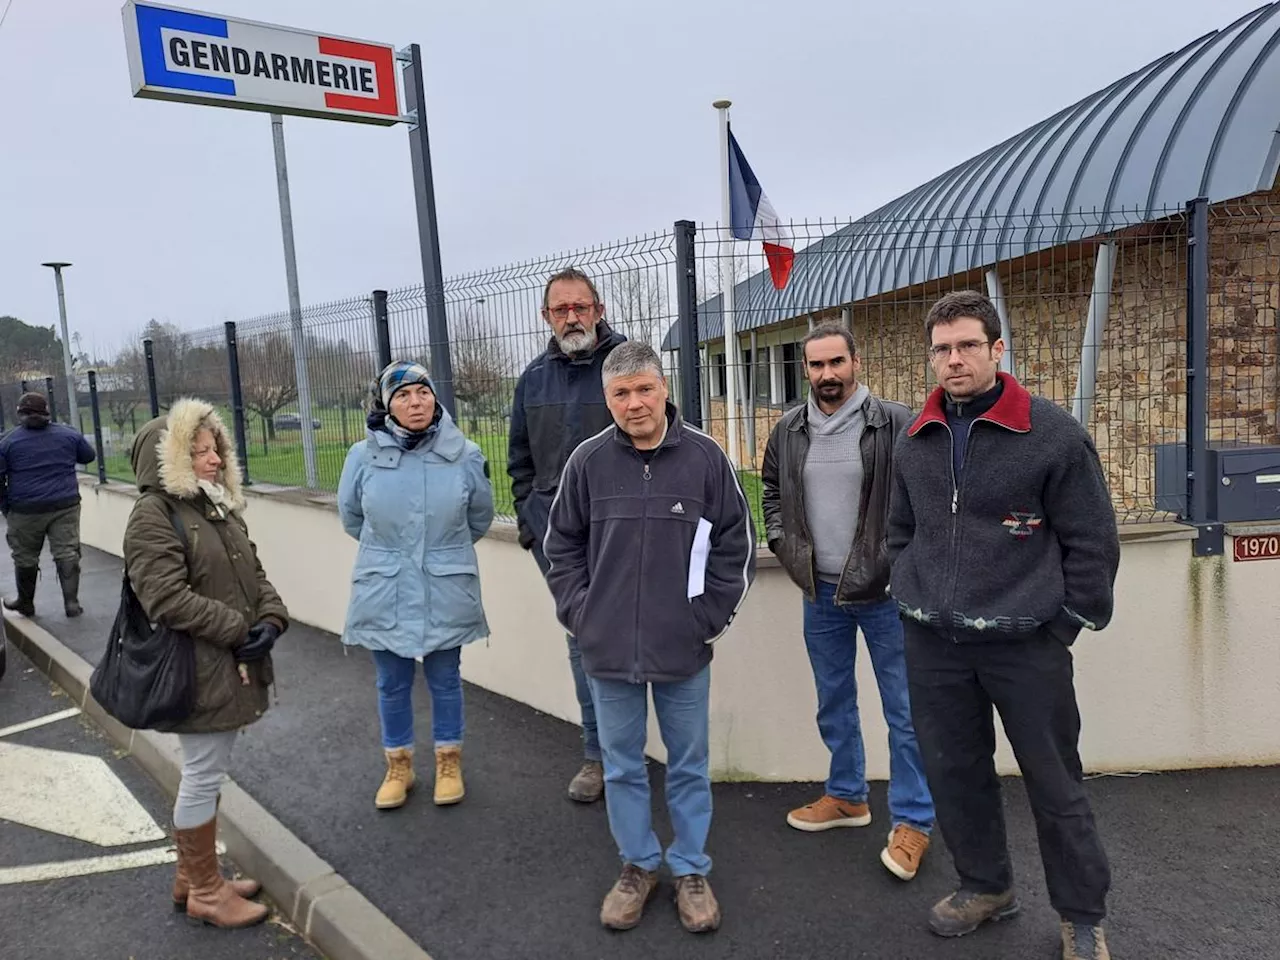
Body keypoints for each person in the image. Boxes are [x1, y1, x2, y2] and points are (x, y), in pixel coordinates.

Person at [888, 290, 1120, 960]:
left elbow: (1093, 543)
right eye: (941, 348)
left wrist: (1065, 624)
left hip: (1027, 645)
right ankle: (986, 888)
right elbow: (900, 533)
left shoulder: (1051, 434)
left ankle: (1082, 915)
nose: (953, 359)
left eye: (966, 345)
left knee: (1055, 783)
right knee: (955, 775)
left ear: (997, 350)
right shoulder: (914, 439)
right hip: (935, 643)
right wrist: (911, 594)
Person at [544, 341, 755, 934]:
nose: (634, 404)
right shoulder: (586, 464)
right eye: (620, 393)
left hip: (682, 650)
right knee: (621, 767)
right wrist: (584, 615)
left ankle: (690, 868)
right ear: (606, 399)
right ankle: (638, 864)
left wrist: (704, 621)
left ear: (663, 388)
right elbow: (561, 548)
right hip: (606, 652)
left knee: (688, 765)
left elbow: (734, 547)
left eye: (644, 389)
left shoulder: (707, 460)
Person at [761, 323, 934, 881]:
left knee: (904, 712)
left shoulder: (896, 422)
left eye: (837, 362)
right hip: (822, 594)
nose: (827, 375)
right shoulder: (788, 429)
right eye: (816, 365)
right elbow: (770, 492)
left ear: (856, 361)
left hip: (886, 595)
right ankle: (847, 796)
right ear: (805, 369)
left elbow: (927, 499)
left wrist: (900, 564)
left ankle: (913, 821)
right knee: (833, 701)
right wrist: (784, 547)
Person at [122, 398, 287, 928]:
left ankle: (193, 877)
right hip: (197, 669)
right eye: (197, 451)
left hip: (225, 663)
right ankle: (206, 893)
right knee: (201, 774)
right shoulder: (154, 514)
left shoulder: (214, 506)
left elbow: (254, 573)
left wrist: (271, 619)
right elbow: (164, 597)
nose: (213, 459)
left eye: (214, 448)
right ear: (167, 458)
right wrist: (239, 629)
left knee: (207, 774)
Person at [339, 362, 494, 810]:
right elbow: (352, 518)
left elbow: (478, 517)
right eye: (403, 395)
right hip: (384, 586)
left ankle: (449, 761)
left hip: (445, 583)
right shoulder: (361, 456)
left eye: (422, 393)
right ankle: (398, 766)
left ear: (435, 397)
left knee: (445, 678)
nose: (415, 403)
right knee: (391, 681)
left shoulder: (464, 453)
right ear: (386, 404)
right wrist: (396, 554)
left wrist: (439, 553)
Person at [508, 267, 627, 803]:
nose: (572, 317)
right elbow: (519, 465)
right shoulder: (532, 380)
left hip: (628, 535)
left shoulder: (629, 365)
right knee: (583, 645)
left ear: (599, 310)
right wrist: (535, 533)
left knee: (638, 639)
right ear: (547, 316)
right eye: (562, 309)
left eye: (582, 307)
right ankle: (597, 756)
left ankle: (632, 755)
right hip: (564, 548)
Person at [0, 392, 96, 618]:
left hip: (25, 509)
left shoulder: (8, 441)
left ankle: (26, 602)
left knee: (24, 556)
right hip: (65, 505)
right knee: (67, 552)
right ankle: (71, 603)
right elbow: (88, 456)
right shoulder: (68, 434)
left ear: (20, 413)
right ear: (46, 412)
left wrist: (6, 506)